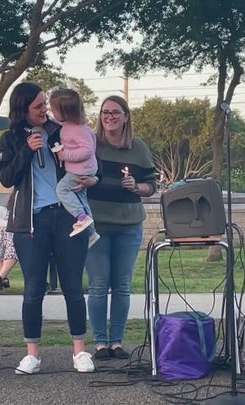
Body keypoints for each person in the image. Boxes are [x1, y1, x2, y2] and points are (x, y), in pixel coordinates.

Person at [0, 82, 97, 374]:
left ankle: (79, 351)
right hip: (31, 221)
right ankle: (32, 354)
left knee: (73, 286)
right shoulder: (10, 138)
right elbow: (6, 177)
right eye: (38, 106)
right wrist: (27, 151)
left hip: (68, 217)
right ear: (23, 109)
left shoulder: (62, 129)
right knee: (34, 288)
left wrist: (94, 179)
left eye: (45, 105)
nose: (45, 110)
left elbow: (89, 159)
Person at [85, 95, 156, 360]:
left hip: (128, 225)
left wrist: (137, 187)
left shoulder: (138, 148)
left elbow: (151, 185)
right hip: (95, 226)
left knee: (122, 285)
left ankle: (117, 342)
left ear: (126, 116)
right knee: (99, 284)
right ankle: (100, 343)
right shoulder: (91, 144)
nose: (110, 117)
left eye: (115, 112)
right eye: (105, 112)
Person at [48, 88, 99, 245]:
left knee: (62, 189)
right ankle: (92, 232)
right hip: (84, 170)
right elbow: (59, 123)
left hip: (79, 170)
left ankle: (81, 217)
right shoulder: (70, 125)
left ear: (65, 112)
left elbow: (87, 150)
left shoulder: (79, 130)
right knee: (81, 198)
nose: (52, 112)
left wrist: (66, 155)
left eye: (53, 110)